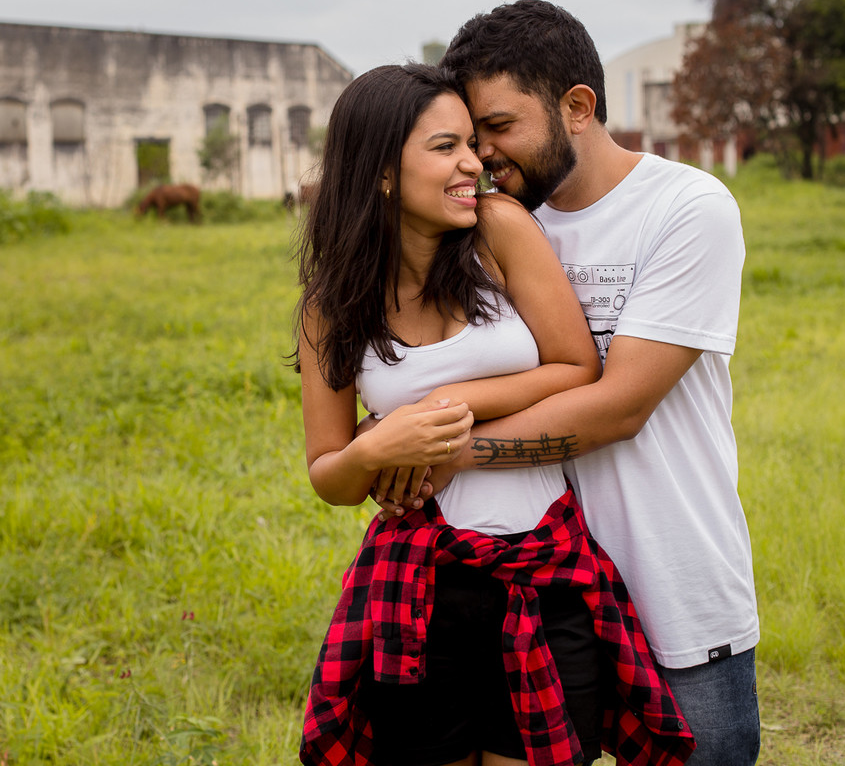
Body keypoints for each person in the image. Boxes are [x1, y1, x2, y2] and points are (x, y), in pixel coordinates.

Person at [375, 0, 758, 766]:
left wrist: (431, 448)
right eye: (470, 136)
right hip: (541, 595)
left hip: (672, 580)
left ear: (577, 106)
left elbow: (619, 405)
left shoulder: (686, 207)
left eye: (499, 127)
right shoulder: (485, 225)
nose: (481, 156)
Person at [293, 63, 695, 766]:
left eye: (471, 143)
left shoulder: (498, 230)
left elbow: (577, 367)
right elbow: (330, 473)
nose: (472, 163)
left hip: (547, 569)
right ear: (383, 172)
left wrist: (442, 411)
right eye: (445, 147)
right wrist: (377, 447)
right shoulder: (331, 307)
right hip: (419, 586)